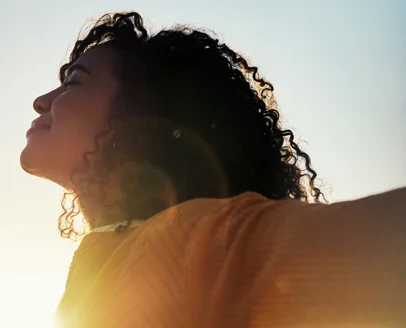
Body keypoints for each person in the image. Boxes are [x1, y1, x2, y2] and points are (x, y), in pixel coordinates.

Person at [20, 11, 406, 328]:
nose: (41, 101)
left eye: (73, 83)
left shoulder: (206, 244)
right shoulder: (102, 262)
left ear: (142, 113)